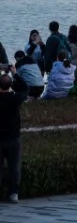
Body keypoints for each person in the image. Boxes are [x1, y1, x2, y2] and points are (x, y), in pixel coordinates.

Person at [0, 68, 24, 203]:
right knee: (14, 167)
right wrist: (14, 73)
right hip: (14, 138)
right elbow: (25, 88)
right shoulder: (16, 98)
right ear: (10, 85)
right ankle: (14, 193)